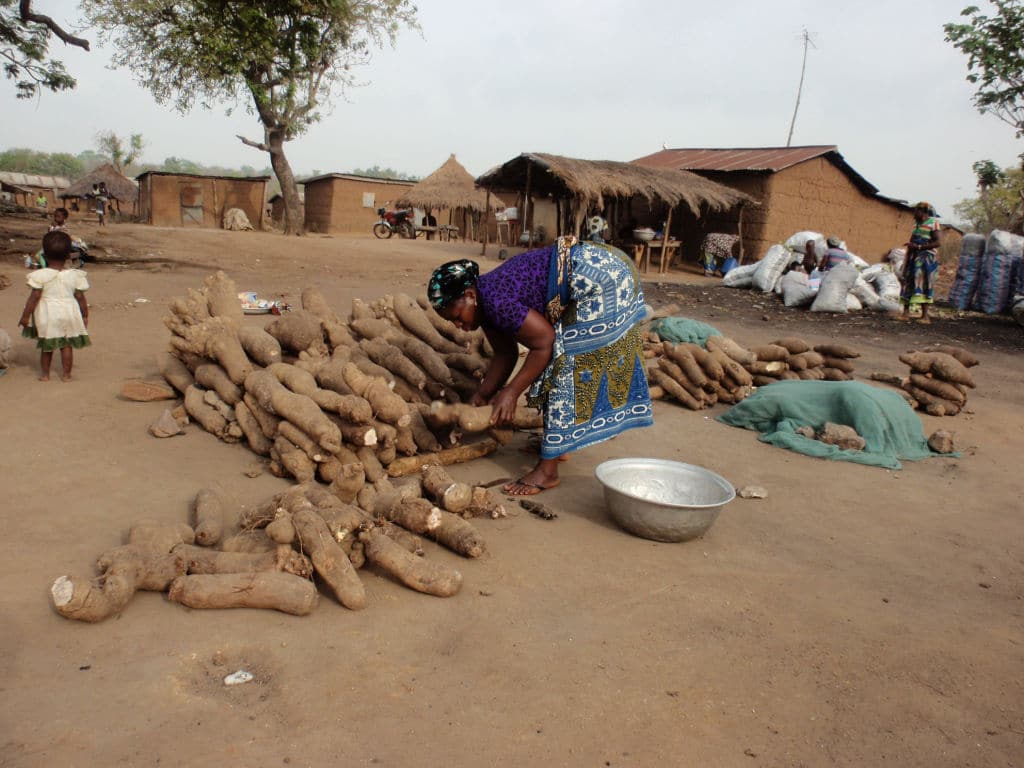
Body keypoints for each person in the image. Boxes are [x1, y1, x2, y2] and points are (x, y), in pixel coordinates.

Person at [428, 237, 654, 495]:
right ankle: (559, 446)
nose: (459, 326)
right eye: (452, 322)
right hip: (603, 267)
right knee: (551, 363)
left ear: (470, 296)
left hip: (604, 280)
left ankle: (547, 472)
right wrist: (483, 394)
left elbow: (544, 341)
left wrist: (511, 392)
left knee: (561, 369)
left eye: (457, 316)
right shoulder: (485, 305)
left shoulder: (495, 301)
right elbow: (505, 353)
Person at [18, 231, 90, 381]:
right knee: (67, 345)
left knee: (47, 346)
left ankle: (45, 375)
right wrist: (84, 314)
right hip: (69, 313)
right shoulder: (74, 275)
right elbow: (80, 297)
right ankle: (67, 375)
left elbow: (34, 297)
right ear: (68, 256)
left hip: (48, 314)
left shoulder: (40, 275)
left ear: (44, 256)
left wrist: (25, 316)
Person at [898, 202, 941, 324]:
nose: (913, 214)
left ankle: (925, 316)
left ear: (923, 212)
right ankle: (905, 314)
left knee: (924, 283)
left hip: (926, 259)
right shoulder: (916, 224)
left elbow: (937, 243)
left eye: (915, 211)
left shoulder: (933, 223)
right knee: (908, 281)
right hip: (913, 257)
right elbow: (914, 240)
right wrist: (911, 246)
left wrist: (919, 247)